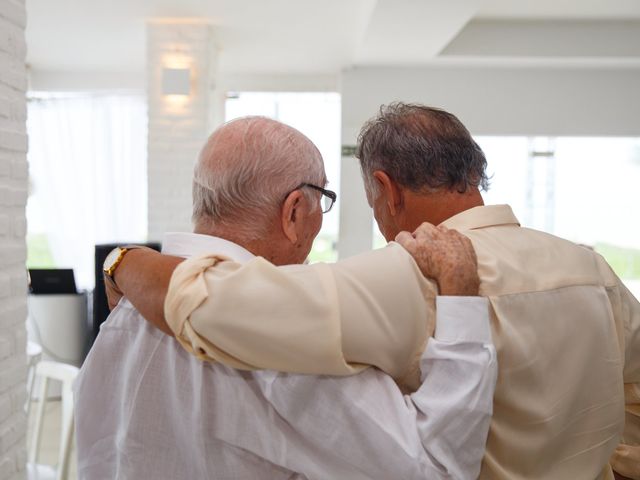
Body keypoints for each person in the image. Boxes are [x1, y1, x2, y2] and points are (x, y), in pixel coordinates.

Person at [110, 103, 640, 479]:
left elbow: (212, 303)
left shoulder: (400, 277)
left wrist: (124, 262)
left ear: (385, 189)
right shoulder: (594, 271)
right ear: (473, 171)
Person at [75, 116, 497, 479]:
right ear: (294, 211)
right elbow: (435, 468)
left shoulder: (125, 312)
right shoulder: (284, 344)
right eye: (322, 201)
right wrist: (461, 303)